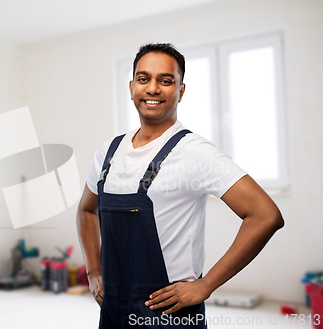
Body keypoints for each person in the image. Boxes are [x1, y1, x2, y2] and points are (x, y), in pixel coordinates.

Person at [76, 43, 284, 328]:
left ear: (181, 91)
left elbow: (266, 215)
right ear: (131, 86)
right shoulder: (108, 152)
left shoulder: (194, 152)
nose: (152, 88)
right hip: (113, 308)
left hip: (170, 313)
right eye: (143, 78)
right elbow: (87, 211)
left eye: (165, 80)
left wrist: (206, 284)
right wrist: (93, 270)